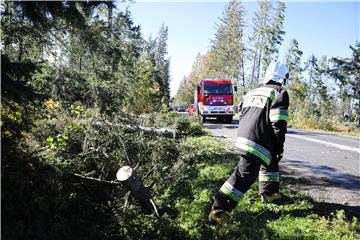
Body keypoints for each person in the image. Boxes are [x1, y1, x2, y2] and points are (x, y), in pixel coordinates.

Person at [209, 62, 290, 226]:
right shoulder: (280, 93)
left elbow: (241, 110)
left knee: (270, 159)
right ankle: (219, 209)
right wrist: (279, 144)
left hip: (244, 137)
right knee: (245, 176)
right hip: (257, 141)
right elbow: (278, 123)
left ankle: (269, 193)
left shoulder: (253, 92)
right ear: (283, 78)